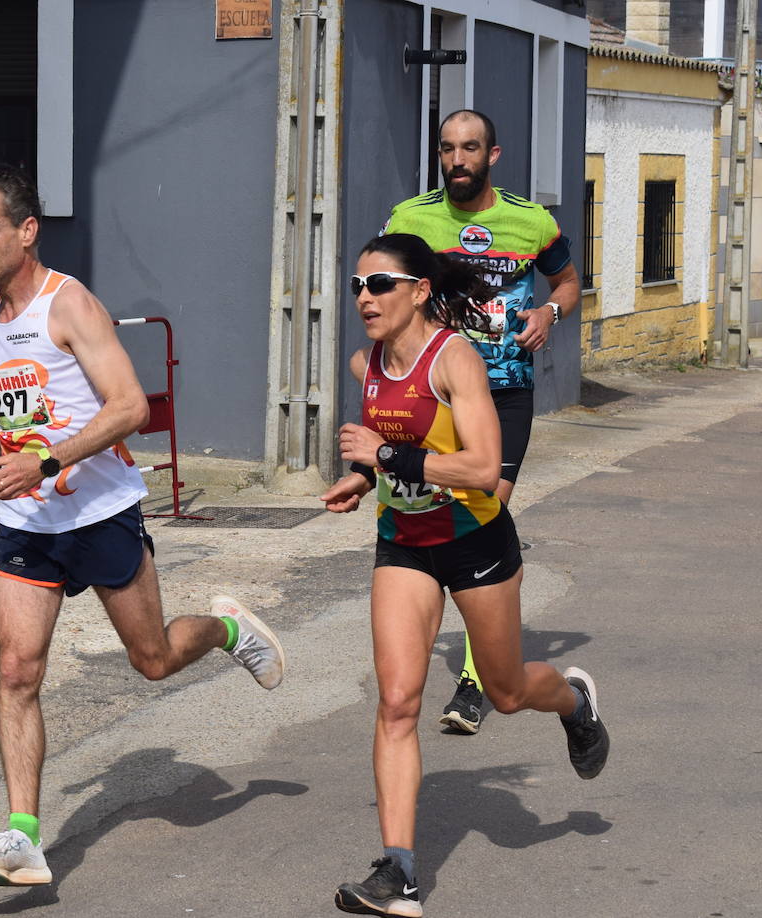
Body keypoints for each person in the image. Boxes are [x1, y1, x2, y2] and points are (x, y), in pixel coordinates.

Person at [0, 164, 286, 887]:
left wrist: (43, 463)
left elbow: (130, 405)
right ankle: (24, 836)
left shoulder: (70, 304)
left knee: (154, 659)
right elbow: (33, 398)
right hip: (27, 521)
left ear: (27, 230)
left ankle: (228, 629)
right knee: (16, 670)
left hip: (98, 513)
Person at [319, 233, 609, 918]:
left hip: (475, 539)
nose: (365, 296)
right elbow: (387, 447)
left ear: (419, 290)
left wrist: (386, 454)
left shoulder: (454, 361)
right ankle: (400, 872)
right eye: (359, 284)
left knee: (507, 692)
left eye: (381, 283)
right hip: (404, 544)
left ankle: (572, 701)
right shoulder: (367, 361)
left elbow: (482, 467)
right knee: (397, 703)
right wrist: (361, 479)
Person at [382, 109, 580, 736]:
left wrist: (550, 311)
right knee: (441, 507)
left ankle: (474, 681)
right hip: (436, 389)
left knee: (485, 501)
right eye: (447, 150)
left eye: (469, 149)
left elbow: (569, 281)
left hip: (506, 390)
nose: (457, 160)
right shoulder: (410, 219)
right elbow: (385, 287)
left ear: (493, 155)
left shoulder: (531, 221)